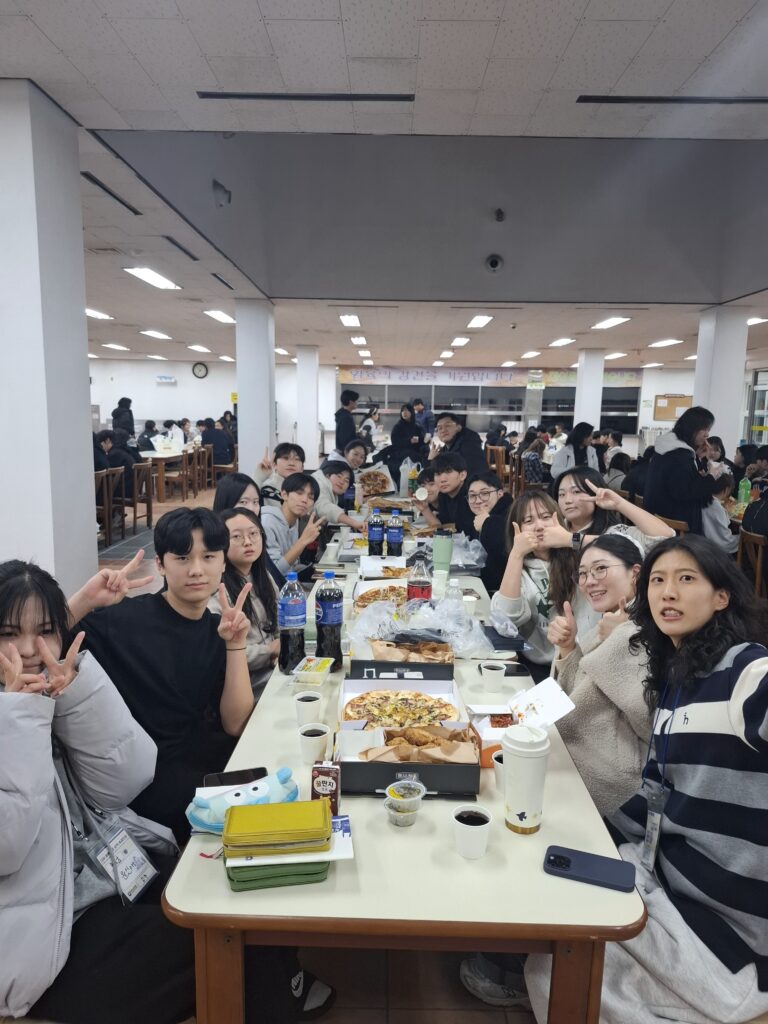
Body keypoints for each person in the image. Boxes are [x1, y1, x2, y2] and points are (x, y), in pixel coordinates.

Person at [524, 535, 768, 1024]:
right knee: (544, 902)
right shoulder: (677, 677)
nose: (668, 592)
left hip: (723, 929)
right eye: (661, 581)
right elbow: (657, 789)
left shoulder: (740, 668)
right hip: (659, 868)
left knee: (557, 967)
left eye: (685, 579)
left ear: (722, 597)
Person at [69, 508, 254, 844]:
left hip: (208, 765)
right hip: (151, 782)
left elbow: (236, 724)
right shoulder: (125, 620)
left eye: (208, 557)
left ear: (222, 563)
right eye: (182, 558)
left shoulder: (219, 629)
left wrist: (236, 644)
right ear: (160, 564)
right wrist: (84, 601)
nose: (196, 570)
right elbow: (42, 642)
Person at [546, 534, 651, 815]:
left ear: (635, 573)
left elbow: (648, 721)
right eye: (582, 574)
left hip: (613, 783)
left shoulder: (649, 631)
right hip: (571, 754)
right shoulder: (611, 622)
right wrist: (568, 648)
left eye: (600, 569)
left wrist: (623, 638)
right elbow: (576, 692)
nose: (589, 581)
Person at [489, 491, 578, 681]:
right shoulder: (519, 570)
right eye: (529, 521)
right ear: (517, 529)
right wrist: (516, 554)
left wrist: (571, 540)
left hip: (579, 666)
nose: (539, 526)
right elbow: (505, 621)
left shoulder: (581, 560)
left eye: (545, 517)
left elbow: (628, 548)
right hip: (538, 668)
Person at [208, 508, 279, 700]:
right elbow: (226, 654)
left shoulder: (262, 576)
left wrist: (281, 647)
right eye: (237, 537)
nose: (248, 542)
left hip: (276, 673)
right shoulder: (219, 592)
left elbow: (281, 618)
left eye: (253, 533)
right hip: (251, 687)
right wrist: (269, 651)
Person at [554, 466, 674, 556]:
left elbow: (664, 536)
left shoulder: (613, 532)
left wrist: (620, 503)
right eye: (561, 494)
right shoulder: (554, 529)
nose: (567, 500)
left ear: (595, 493)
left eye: (576, 492)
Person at [643, 405, 723, 534]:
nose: (707, 435)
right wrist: (711, 476)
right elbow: (687, 492)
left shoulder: (669, 447)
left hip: (658, 518)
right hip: (675, 529)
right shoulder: (680, 454)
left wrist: (697, 457)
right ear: (692, 427)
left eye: (708, 429)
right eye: (704, 429)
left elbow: (681, 482)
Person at [261, 472, 324, 577]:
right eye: (299, 493)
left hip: (290, 581)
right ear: (284, 495)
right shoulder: (267, 522)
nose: (304, 500)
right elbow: (274, 572)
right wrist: (303, 541)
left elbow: (292, 566)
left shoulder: (294, 521)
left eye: (311, 497)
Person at [468, 472, 512, 594]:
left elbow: (504, 555)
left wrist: (487, 524)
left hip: (500, 592)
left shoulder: (509, 515)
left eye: (485, 493)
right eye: (472, 495)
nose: (478, 500)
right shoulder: (481, 516)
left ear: (500, 493)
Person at [414, 452, 476, 538]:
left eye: (448, 472)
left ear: (462, 475)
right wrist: (425, 509)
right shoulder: (443, 496)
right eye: (438, 474)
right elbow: (442, 529)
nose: (443, 479)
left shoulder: (472, 496)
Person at [311, 461, 365, 530]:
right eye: (339, 476)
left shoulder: (330, 489)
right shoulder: (318, 485)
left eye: (346, 480)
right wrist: (354, 523)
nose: (342, 482)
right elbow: (325, 508)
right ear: (328, 475)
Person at [429, 412, 486, 477]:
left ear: (459, 427)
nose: (443, 430)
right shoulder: (447, 447)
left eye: (447, 426)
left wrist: (432, 460)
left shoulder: (470, 444)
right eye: (439, 428)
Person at [255, 442, 306, 506]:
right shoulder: (266, 489)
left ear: (302, 467)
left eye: (297, 459)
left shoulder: (308, 491)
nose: (291, 463)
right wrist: (258, 477)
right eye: (285, 458)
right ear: (274, 464)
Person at [702, 472, 739, 554]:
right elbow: (726, 524)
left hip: (705, 540)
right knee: (741, 537)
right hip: (720, 543)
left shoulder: (706, 499)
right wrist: (726, 512)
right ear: (727, 489)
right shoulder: (717, 506)